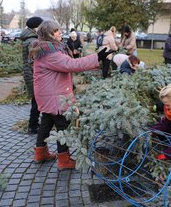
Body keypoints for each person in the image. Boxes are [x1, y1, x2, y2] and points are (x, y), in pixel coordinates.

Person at [29, 20, 112, 170]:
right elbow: (72, 65)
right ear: (48, 34)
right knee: (63, 127)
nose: (60, 33)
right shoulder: (50, 52)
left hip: (48, 95)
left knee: (46, 123)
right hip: (55, 97)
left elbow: (68, 63)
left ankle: (40, 153)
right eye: (56, 31)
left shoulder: (46, 49)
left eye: (59, 30)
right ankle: (64, 160)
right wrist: (97, 57)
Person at [20, 16, 43, 134]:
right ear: (36, 27)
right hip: (32, 74)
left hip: (30, 73)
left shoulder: (29, 39)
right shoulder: (31, 41)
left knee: (36, 100)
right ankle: (33, 125)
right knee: (36, 100)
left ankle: (34, 124)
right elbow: (34, 60)